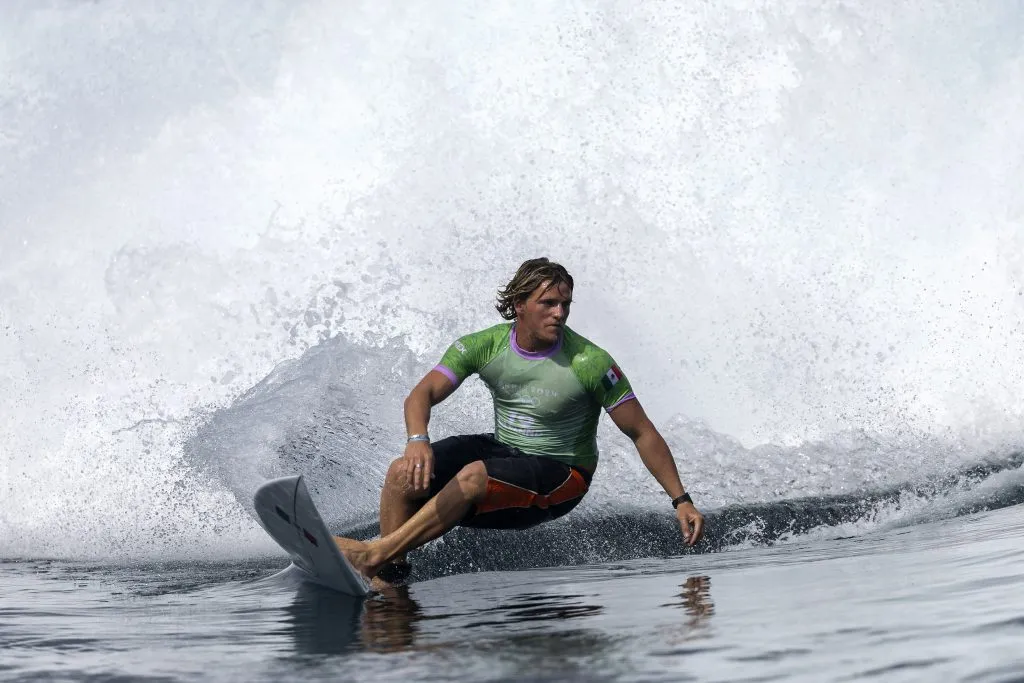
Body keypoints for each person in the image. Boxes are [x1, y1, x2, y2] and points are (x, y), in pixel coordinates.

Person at [334, 257, 704, 587]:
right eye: (548, 303)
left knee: (475, 476)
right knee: (403, 472)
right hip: (508, 452)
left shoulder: (590, 362)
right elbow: (421, 394)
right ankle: (389, 582)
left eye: (565, 304)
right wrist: (417, 439)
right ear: (519, 306)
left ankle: (373, 556)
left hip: (563, 474)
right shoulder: (485, 345)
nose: (559, 314)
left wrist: (681, 500)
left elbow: (641, 432)